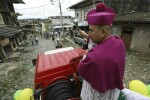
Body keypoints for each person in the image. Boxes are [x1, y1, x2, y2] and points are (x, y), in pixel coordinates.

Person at [77, 3, 126, 100]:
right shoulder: (118, 42)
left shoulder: (95, 57)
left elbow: (81, 69)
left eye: (91, 30)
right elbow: (99, 43)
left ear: (103, 32)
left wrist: (85, 56)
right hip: (113, 93)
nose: (89, 34)